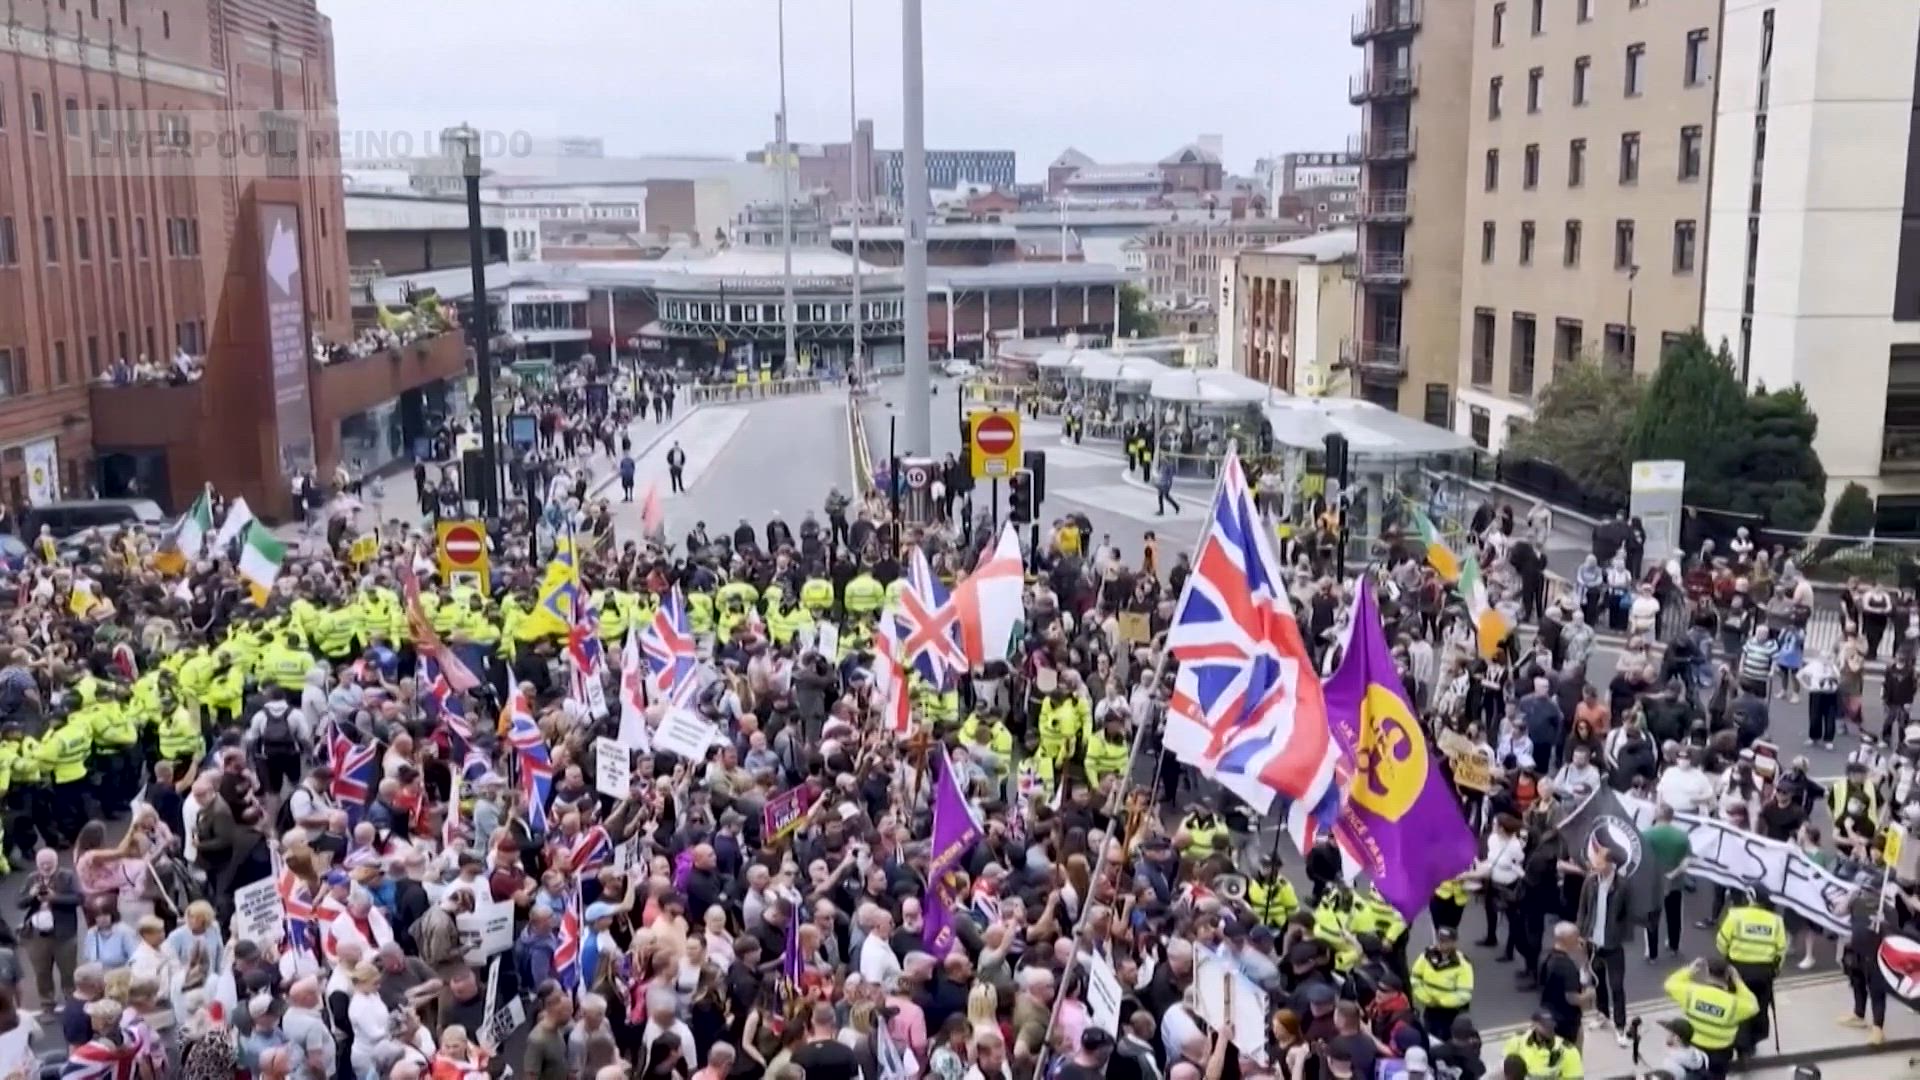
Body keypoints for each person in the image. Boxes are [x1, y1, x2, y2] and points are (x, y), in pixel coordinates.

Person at [1714, 886, 1785, 1055]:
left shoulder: (1735, 915)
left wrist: (1729, 959)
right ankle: (1752, 1041)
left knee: (1738, 1007)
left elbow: (1721, 942)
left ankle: (1740, 1043)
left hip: (1738, 970)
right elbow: (1780, 950)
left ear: (1750, 899)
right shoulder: (1776, 921)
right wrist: (1775, 970)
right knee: (1759, 1007)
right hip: (1764, 972)